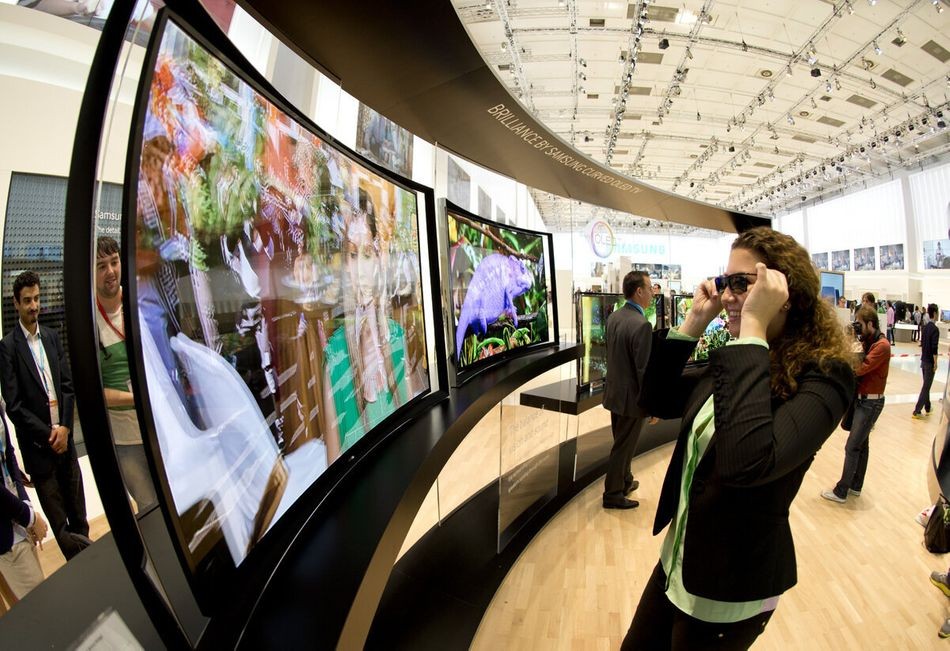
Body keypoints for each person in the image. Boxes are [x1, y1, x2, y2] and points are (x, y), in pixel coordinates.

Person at [621, 227, 854, 649]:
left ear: (785, 293)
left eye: (743, 283)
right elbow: (652, 398)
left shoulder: (824, 377)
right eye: (726, 280)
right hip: (679, 562)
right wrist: (694, 321)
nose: (727, 293)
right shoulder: (736, 357)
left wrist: (752, 328)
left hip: (731, 589)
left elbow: (746, 461)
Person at [0, 271, 90, 560]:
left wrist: (64, 428)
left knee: (80, 517)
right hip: (40, 451)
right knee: (61, 526)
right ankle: (86, 563)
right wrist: (49, 434)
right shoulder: (8, 348)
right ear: (16, 303)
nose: (34, 306)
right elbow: (14, 406)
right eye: (27, 300)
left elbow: (66, 386)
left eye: (36, 299)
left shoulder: (50, 337)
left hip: (65, 443)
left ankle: (95, 569)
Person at [95, 236, 157, 511]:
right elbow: (94, 390)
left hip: (158, 425)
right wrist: (134, 396)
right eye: (101, 266)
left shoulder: (139, 301)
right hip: (124, 440)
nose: (110, 271)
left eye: (114, 262)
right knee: (149, 507)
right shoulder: (90, 322)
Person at [821, 305, 889, 504]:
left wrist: (853, 342)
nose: (857, 328)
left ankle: (842, 490)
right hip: (863, 400)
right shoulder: (869, 342)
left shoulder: (881, 345)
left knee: (852, 446)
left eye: (859, 325)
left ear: (870, 324)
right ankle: (856, 485)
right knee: (862, 444)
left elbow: (858, 368)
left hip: (871, 402)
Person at [601, 271, 653, 510]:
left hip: (614, 394)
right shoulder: (641, 324)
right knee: (623, 447)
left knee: (622, 442)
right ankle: (612, 494)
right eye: (650, 288)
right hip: (632, 399)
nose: (653, 293)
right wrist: (652, 403)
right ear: (639, 291)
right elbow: (644, 370)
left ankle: (625, 481)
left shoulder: (614, 317)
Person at [0, 401, 48, 600]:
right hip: (5, 534)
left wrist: (25, 505)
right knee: (39, 606)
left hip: (16, 517)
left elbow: (8, 454)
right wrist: (28, 517)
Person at [913, 304, 939, 419]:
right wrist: (935, 362)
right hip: (929, 362)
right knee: (926, 387)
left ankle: (927, 407)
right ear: (935, 313)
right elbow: (934, 348)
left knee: (926, 385)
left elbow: (922, 344)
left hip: (923, 360)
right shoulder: (935, 329)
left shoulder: (926, 328)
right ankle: (917, 410)